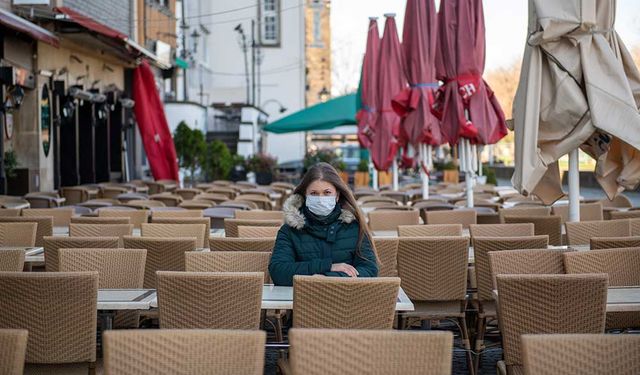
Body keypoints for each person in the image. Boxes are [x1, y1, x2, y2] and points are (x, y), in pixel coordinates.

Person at [269, 162, 378, 286]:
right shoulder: (289, 230)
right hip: (302, 301)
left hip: (347, 301)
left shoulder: (355, 227)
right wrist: (327, 266)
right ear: (305, 196)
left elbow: (369, 270)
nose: (320, 198)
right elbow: (278, 272)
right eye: (314, 193)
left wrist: (324, 279)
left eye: (327, 193)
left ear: (337, 195)